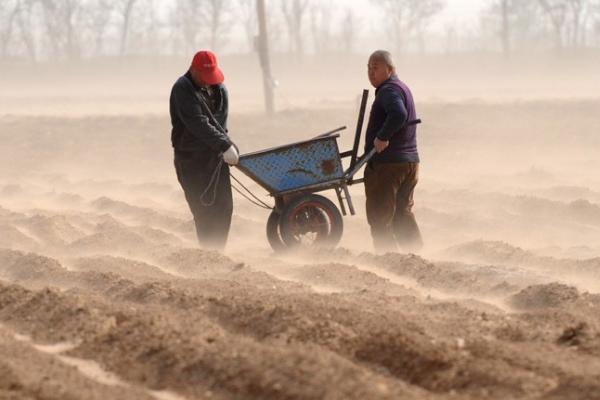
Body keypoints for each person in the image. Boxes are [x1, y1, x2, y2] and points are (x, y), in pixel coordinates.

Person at [169, 50, 239, 250]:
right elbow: (197, 123)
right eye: (204, 77)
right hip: (191, 160)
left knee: (224, 207)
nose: (208, 82)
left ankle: (219, 252)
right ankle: (209, 253)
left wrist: (227, 145)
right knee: (204, 210)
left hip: (215, 158)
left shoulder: (220, 90)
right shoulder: (182, 89)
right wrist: (224, 145)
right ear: (193, 70)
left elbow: (219, 124)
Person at [363, 49, 423, 253]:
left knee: (380, 215)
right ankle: (415, 254)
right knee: (401, 213)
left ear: (390, 69)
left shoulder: (389, 90)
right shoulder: (400, 87)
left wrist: (382, 137)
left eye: (376, 68)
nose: (371, 72)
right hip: (409, 163)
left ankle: (387, 259)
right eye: (369, 68)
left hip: (389, 165)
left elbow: (398, 114)